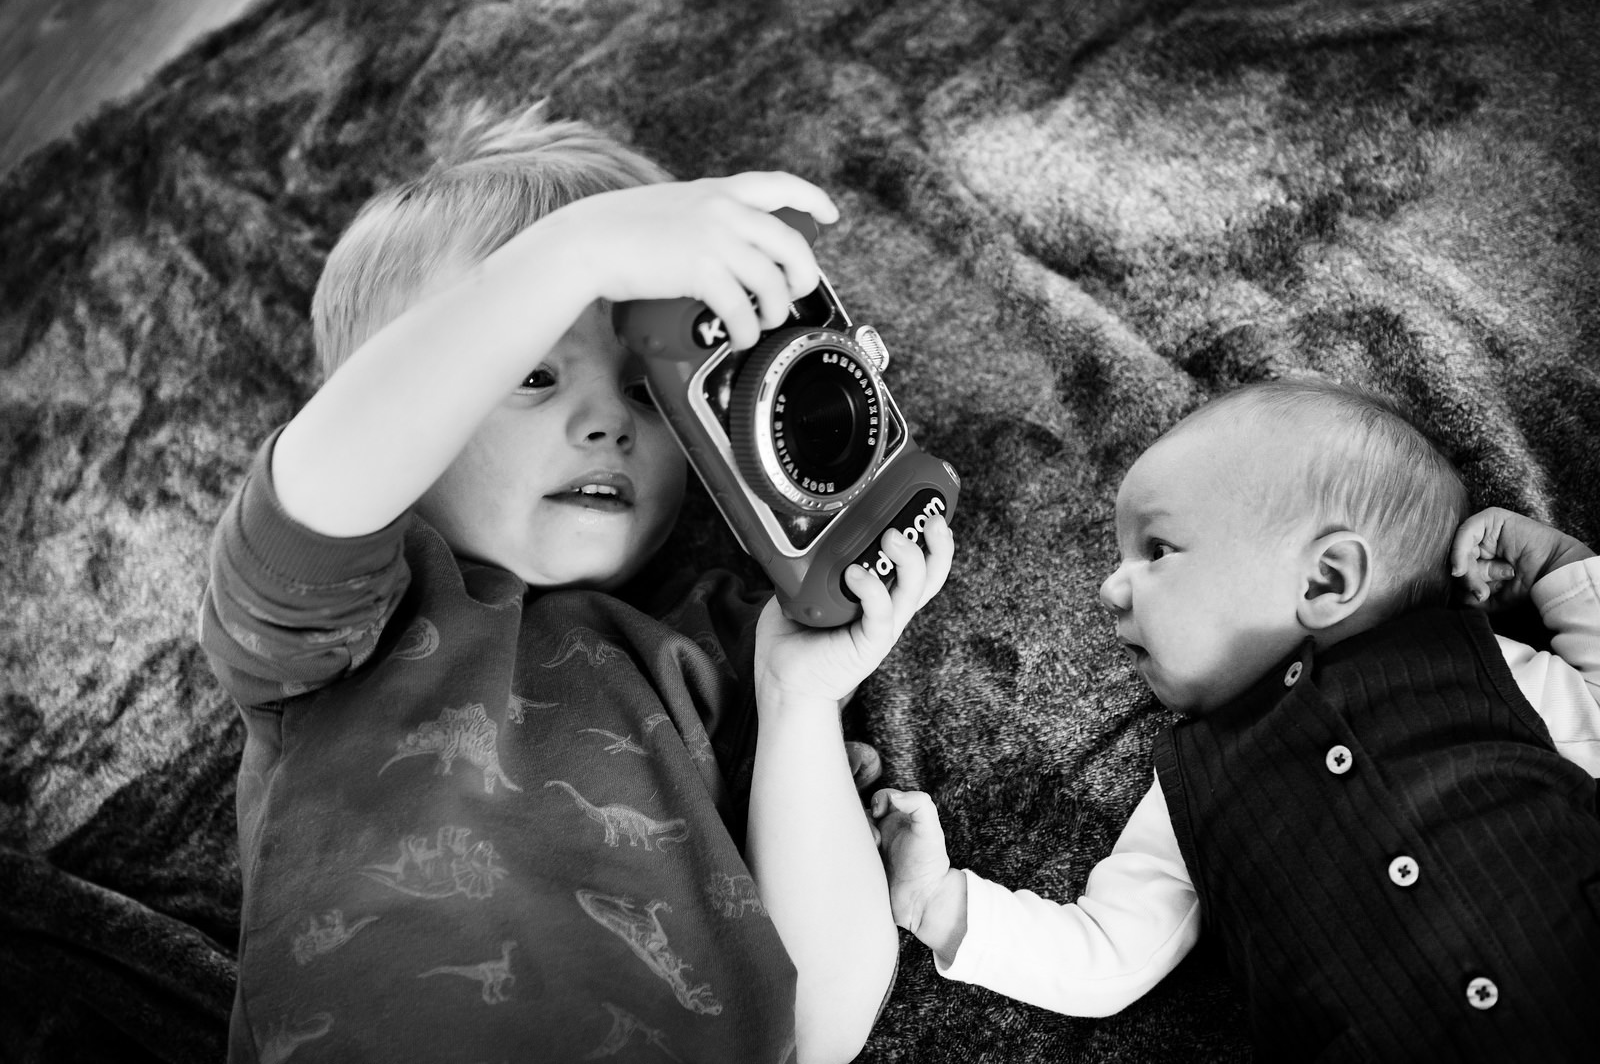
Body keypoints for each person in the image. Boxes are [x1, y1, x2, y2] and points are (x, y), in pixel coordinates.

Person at [197, 101, 952, 1064]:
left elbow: (818, 1023)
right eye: (532, 373)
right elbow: (324, 480)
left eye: (649, 389)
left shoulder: (726, 645)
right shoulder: (348, 622)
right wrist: (575, 254)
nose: (609, 423)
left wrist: (801, 706)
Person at [872, 378, 1600, 1061]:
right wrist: (940, 901)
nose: (1109, 588)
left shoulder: (1477, 665)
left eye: (1157, 550)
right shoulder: (1196, 781)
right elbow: (1108, 949)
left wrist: (1563, 571)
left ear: (1326, 579)